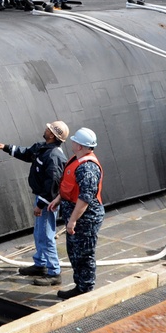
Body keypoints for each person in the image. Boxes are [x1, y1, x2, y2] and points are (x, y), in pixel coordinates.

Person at [0, 121, 69, 286]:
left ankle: (54, 272)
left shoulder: (54, 157)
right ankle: (40, 264)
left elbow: (52, 186)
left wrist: (40, 205)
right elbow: (27, 153)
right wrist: (6, 147)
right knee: (38, 233)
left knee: (46, 236)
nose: (45, 128)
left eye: (49, 128)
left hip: (47, 202)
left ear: (52, 135)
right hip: (42, 198)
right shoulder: (43, 148)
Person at [49, 127, 104, 300]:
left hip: (85, 219)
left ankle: (85, 289)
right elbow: (71, 186)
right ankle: (79, 285)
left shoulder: (87, 168)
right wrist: (59, 198)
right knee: (74, 252)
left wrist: (72, 221)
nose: (71, 142)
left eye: (74, 141)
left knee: (84, 254)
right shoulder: (78, 160)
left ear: (80, 146)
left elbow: (85, 198)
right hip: (74, 215)